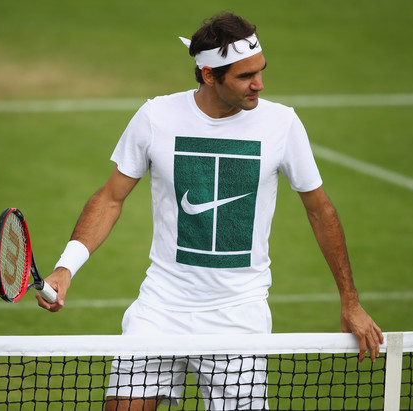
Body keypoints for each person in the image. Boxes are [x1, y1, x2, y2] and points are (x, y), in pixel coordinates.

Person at [37, 12, 384, 410]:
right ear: (208, 75)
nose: (259, 84)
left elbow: (320, 211)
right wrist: (65, 267)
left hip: (239, 318)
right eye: (244, 76)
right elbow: (110, 198)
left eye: (261, 71)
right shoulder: (156, 117)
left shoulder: (282, 124)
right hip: (160, 308)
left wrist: (350, 301)